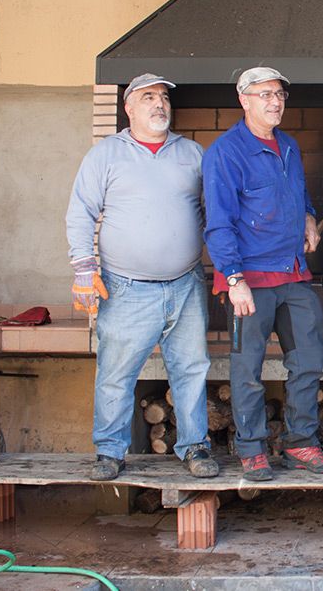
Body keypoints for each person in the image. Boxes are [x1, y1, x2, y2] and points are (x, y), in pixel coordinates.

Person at [66, 73, 218, 481]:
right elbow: (81, 210)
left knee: (191, 368)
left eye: (164, 97)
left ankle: (195, 446)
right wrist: (84, 267)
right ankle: (109, 452)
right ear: (129, 107)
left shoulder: (191, 153)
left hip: (186, 284)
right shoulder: (106, 155)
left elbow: (211, 213)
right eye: (148, 97)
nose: (159, 105)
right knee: (116, 373)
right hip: (125, 287)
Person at [202, 66, 323, 481]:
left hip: (293, 277)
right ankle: (251, 449)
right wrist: (233, 278)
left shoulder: (289, 147)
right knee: (248, 367)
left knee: (309, 359)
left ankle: (300, 443)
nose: (274, 101)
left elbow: (300, 196)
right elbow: (218, 222)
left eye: (279, 94)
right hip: (251, 281)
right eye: (264, 94)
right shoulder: (225, 152)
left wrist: (310, 219)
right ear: (243, 100)